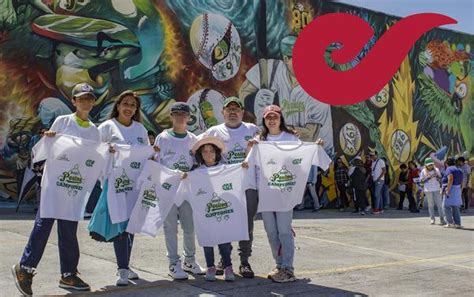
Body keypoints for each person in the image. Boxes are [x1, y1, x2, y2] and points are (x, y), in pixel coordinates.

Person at [12, 83, 99, 296]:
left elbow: (95, 158)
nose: (86, 102)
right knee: (43, 224)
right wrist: (48, 139)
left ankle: (68, 274)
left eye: (89, 98)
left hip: (74, 187)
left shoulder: (95, 131)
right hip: (53, 184)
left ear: (93, 102)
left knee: (69, 230)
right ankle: (25, 269)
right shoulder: (63, 122)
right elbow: (42, 150)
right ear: (73, 101)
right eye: (81, 98)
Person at [239, 35, 334, 153]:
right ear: (285, 59)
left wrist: (274, 129)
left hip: (318, 152)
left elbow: (310, 135)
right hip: (288, 147)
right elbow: (243, 91)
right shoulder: (275, 70)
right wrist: (253, 110)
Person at [95, 90, 150, 286]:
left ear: (136, 109)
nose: (128, 108)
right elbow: (95, 152)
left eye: (133, 105)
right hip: (115, 185)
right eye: (125, 103)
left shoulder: (140, 129)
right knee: (119, 224)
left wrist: (153, 153)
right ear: (118, 105)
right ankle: (122, 269)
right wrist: (106, 151)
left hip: (135, 185)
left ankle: (125, 264)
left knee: (131, 225)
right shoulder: (107, 127)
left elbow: (146, 155)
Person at [203, 96, 260, 278]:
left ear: (242, 112)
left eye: (237, 109)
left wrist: (292, 134)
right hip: (224, 187)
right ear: (223, 112)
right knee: (224, 222)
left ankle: (244, 262)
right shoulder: (214, 132)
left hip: (248, 184)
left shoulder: (252, 129)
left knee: (247, 224)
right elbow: (194, 147)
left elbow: (272, 141)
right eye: (229, 109)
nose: (233, 112)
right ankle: (224, 260)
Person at [154, 102, 205, 280]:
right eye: (177, 114)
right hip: (168, 190)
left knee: (189, 227)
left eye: (184, 114)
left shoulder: (193, 139)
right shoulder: (163, 138)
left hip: (187, 190)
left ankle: (189, 260)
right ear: (171, 116)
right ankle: (173, 263)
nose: (181, 117)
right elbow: (157, 164)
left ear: (189, 118)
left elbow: (198, 164)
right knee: (170, 228)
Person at [189, 136, 236, 282]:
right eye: (204, 151)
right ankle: (210, 267)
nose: (208, 154)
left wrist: (243, 168)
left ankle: (228, 266)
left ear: (216, 153)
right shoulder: (195, 171)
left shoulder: (226, 169)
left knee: (224, 239)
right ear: (200, 155)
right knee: (207, 239)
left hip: (221, 209)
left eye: (211, 151)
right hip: (205, 212)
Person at [420, 158, 445, 225]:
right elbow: (421, 181)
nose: (430, 166)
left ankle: (442, 219)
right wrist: (428, 178)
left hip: (436, 188)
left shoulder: (436, 169)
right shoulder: (423, 171)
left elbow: (440, 178)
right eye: (429, 165)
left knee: (439, 205)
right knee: (430, 205)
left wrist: (437, 176)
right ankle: (432, 219)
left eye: (431, 164)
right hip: (428, 190)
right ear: (426, 165)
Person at [442, 157, 464, 228]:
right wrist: (460, 190)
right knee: (456, 207)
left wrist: (448, 190)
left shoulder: (449, 169)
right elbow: (462, 182)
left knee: (446, 206)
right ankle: (458, 223)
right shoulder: (459, 169)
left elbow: (450, 178)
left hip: (451, 189)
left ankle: (450, 223)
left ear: (446, 163)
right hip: (458, 189)